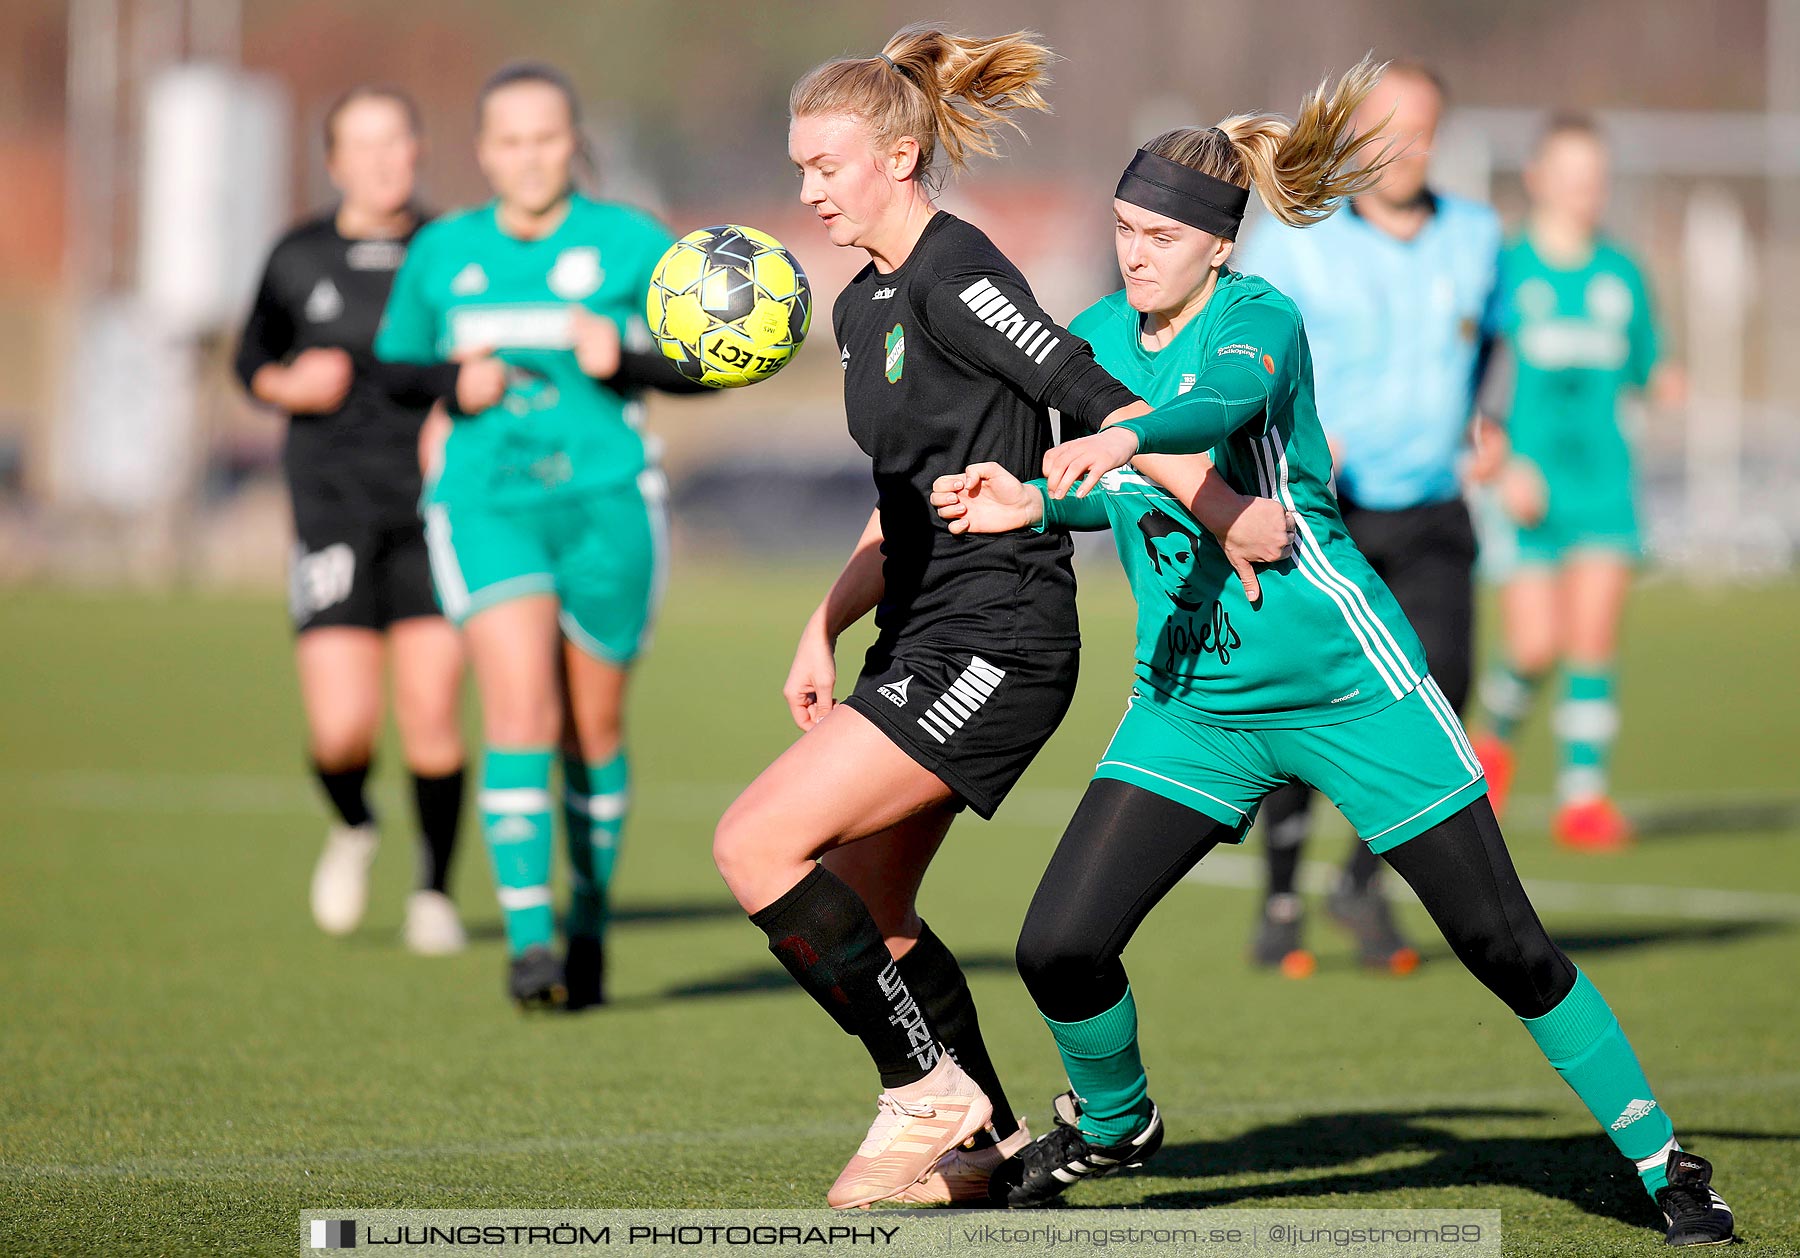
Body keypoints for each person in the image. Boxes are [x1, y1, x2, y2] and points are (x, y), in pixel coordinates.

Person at [931, 64, 1735, 1246]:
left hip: (1351, 685)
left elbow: (1204, 414)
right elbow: (1133, 496)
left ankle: (1661, 1156)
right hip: (1194, 702)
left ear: (1216, 243)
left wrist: (1114, 437)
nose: (1132, 253)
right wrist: (1033, 507)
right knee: (1057, 945)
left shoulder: (1262, 319)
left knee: (1503, 944)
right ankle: (1115, 1125)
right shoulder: (1099, 335)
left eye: (1158, 234)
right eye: (1120, 228)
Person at [711, 23, 1289, 1210]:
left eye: (827, 165)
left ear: (901, 154)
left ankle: (922, 1089)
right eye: (800, 166)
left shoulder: (957, 272)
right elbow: (901, 512)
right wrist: (821, 624)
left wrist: (1224, 508)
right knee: (870, 904)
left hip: (1003, 637)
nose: (808, 189)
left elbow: (1098, 396)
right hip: (917, 633)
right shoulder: (862, 308)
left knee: (755, 843)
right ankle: (987, 1144)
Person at [375, 63, 708, 1010]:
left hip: (607, 503)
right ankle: (530, 945)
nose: (529, 156)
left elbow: (716, 361)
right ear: (483, 152)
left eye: (547, 137)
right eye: (509, 140)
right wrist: (451, 383)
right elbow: (393, 369)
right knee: (520, 709)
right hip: (487, 504)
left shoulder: (631, 244)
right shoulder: (442, 251)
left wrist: (630, 356)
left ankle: (590, 916)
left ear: (574, 143)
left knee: (592, 727)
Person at [1234, 63, 1504, 974]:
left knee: (1442, 685)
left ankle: (1362, 879)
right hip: (1322, 506)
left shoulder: (1475, 234)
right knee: (1307, 697)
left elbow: (1495, 340)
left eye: (1419, 128)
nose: (1401, 148)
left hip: (1432, 504)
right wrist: (1297, 427)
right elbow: (1246, 349)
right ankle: (1280, 899)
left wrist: (1491, 419)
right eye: (1383, 129)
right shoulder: (1296, 240)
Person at [235, 86, 468, 956]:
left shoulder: (451, 253)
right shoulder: (296, 255)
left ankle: (434, 892)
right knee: (341, 729)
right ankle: (354, 825)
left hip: (431, 512)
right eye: (361, 145)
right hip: (331, 509)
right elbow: (250, 358)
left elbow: (477, 363)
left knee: (431, 712)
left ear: (418, 150)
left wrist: (457, 414)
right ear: (332, 161)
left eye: (396, 140)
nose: (381, 159)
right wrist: (290, 386)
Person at [1470, 115, 1677, 851]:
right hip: (1525, 483)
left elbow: (1651, 364)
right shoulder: (1505, 270)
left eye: (1596, 176)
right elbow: (1474, 379)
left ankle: (1584, 799)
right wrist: (1502, 459)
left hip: (1605, 485)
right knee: (1535, 645)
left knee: (1592, 640)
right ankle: (1491, 743)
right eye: (1570, 174)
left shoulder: (1622, 274)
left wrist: (1669, 382)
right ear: (1537, 178)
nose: (1585, 190)